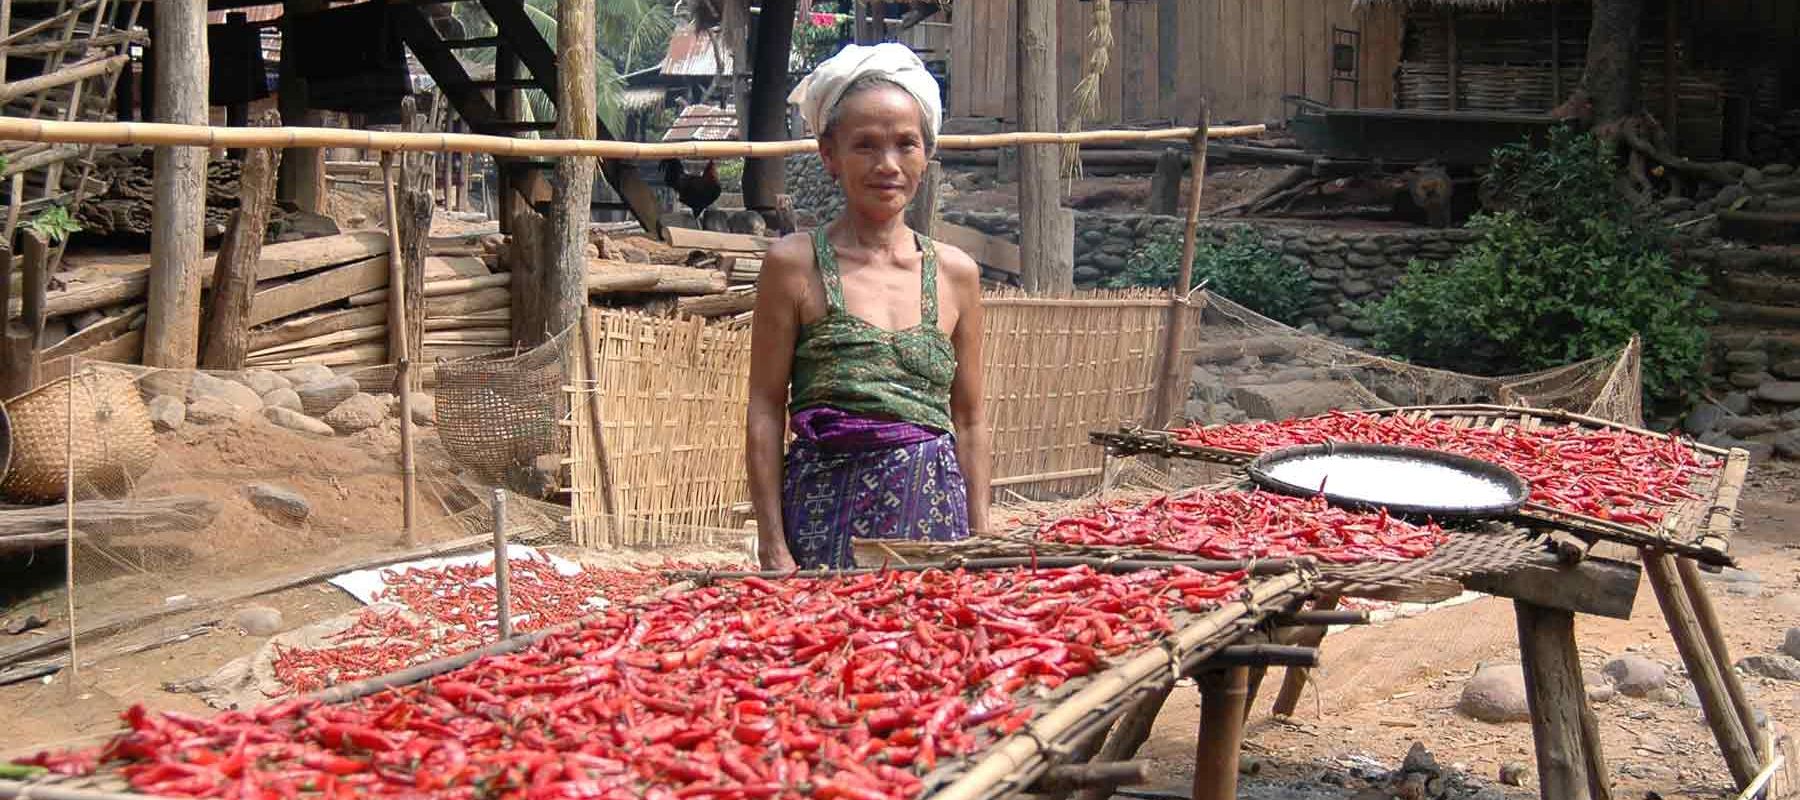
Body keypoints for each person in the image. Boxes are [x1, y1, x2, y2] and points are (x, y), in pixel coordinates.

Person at [745, 43, 990, 571]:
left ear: (927, 154)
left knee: (929, 650)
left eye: (906, 144)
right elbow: (765, 409)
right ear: (829, 155)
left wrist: (980, 540)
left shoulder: (955, 274)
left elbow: (968, 421)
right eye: (865, 146)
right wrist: (773, 546)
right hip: (820, 518)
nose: (888, 165)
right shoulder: (794, 265)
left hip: (934, 522)